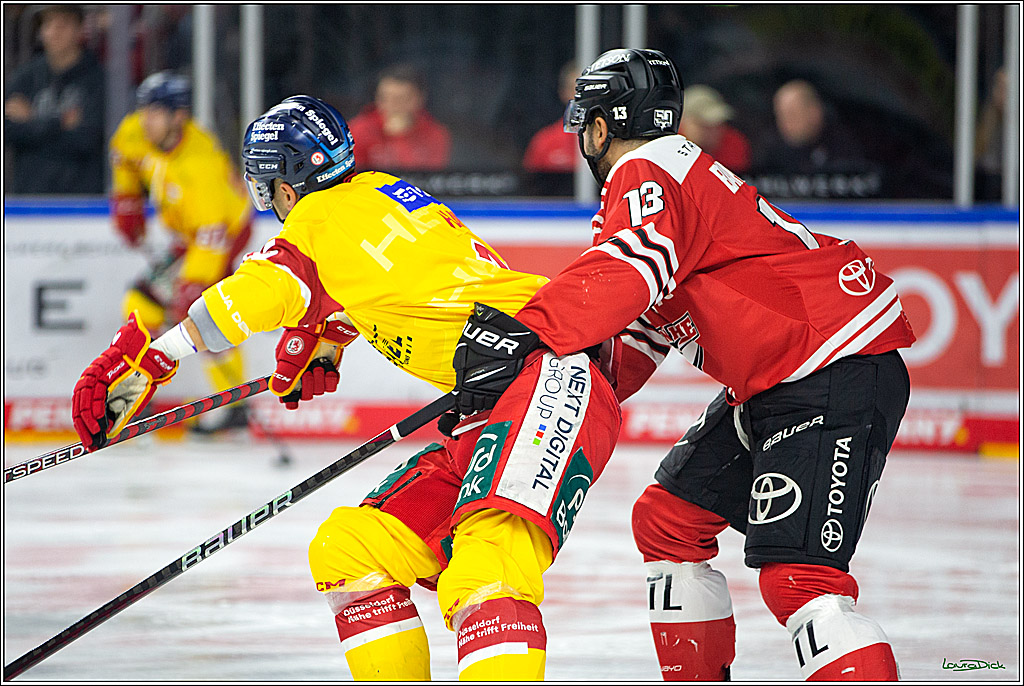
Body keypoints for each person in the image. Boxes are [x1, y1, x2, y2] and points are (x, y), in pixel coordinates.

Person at [71, 95, 621, 680]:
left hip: (546, 376)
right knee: (350, 546)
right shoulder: (383, 193)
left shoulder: (313, 222)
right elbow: (391, 281)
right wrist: (327, 338)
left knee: (486, 570)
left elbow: (248, 297)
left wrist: (155, 358)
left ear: (285, 185)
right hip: (501, 395)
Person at [450, 48, 916, 681]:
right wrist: (532, 378)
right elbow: (632, 337)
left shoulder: (649, 171)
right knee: (669, 522)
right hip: (787, 376)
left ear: (597, 128)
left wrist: (526, 331)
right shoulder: (667, 186)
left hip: (829, 367)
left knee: (799, 580)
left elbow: (628, 269)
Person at [108, 71, 254, 432]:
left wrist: (194, 282)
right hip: (187, 235)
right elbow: (125, 158)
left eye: (156, 112)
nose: (146, 120)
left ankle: (235, 403)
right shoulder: (133, 131)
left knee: (203, 314)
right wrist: (126, 200)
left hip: (222, 234)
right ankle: (143, 395)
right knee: (142, 306)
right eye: (144, 110)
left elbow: (213, 235)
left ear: (179, 116)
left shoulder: (199, 166)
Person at [4, 4, 105, 194]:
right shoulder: (25, 77)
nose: (53, 32)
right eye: (48, 24)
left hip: (81, 197)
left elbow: (87, 139)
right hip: (30, 194)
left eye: (63, 25)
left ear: (80, 30)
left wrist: (31, 121)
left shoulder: (97, 80)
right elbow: (8, 131)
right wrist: (60, 123)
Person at [347, 63, 451, 171]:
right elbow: (353, 177)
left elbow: (428, 178)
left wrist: (400, 137)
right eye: (385, 98)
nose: (393, 105)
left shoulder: (435, 134)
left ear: (420, 98)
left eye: (402, 99)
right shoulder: (357, 131)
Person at [755, 78, 864, 176]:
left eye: (792, 113)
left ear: (814, 112)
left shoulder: (843, 146)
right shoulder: (771, 151)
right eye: (780, 115)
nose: (785, 122)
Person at [522, 60, 579, 173]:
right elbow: (530, 185)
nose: (581, 97)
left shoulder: (611, 141)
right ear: (563, 93)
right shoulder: (546, 141)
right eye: (576, 89)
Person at [679, 84, 751, 174]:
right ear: (683, 121)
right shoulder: (667, 145)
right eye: (704, 124)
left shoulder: (733, 142)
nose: (714, 131)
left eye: (718, 124)